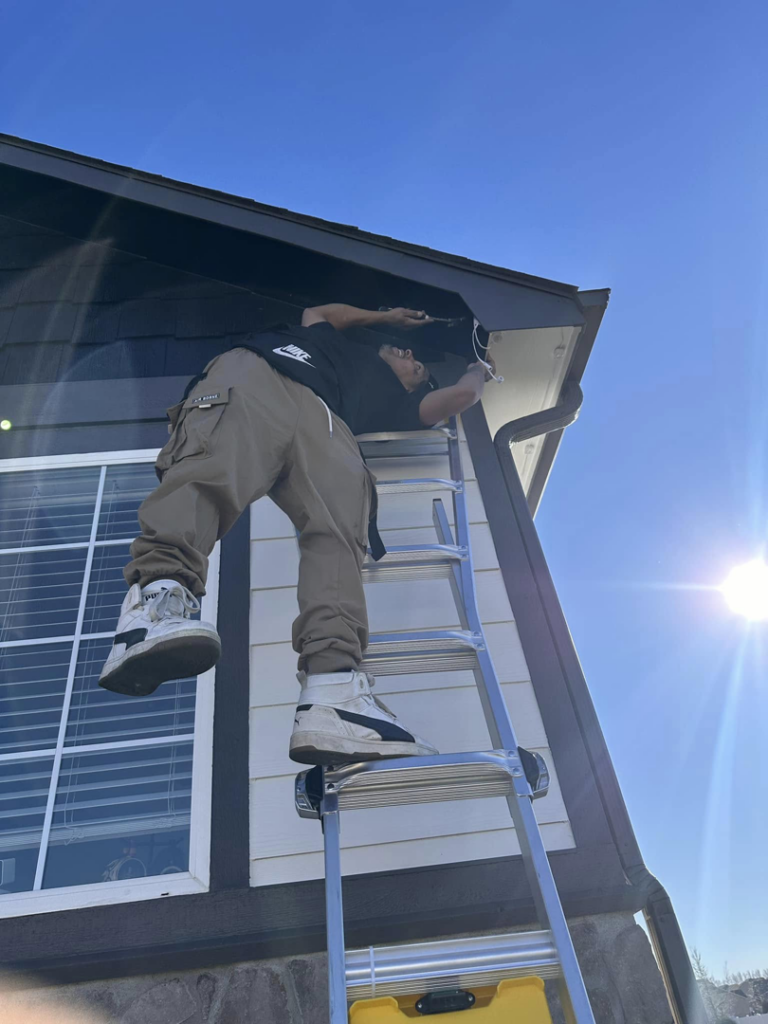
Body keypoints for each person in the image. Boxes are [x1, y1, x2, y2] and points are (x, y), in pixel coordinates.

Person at [98, 303, 494, 765]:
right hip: (262, 373)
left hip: (327, 422)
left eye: (416, 363)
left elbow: (459, 398)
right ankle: (155, 605)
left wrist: (479, 367)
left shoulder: (400, 400)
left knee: (340, 532)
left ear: (414, 384)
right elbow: (318, 311)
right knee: (213, 468)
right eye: (407, 351)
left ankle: (334, 690)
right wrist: (384, 317)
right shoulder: (326, 341)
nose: (408, 355)